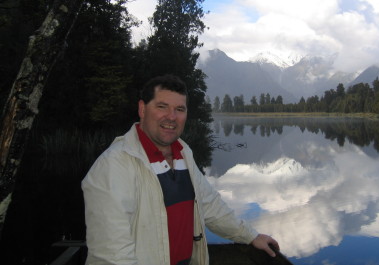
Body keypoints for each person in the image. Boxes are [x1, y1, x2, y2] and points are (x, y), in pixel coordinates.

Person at [82, 74, 279, 265]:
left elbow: (210, 206)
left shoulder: (184, 154)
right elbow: (112, 256)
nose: (172, 117)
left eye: (180, 109)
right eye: (162, 107)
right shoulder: (113, 166)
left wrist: (251, 236)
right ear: (142, 109)